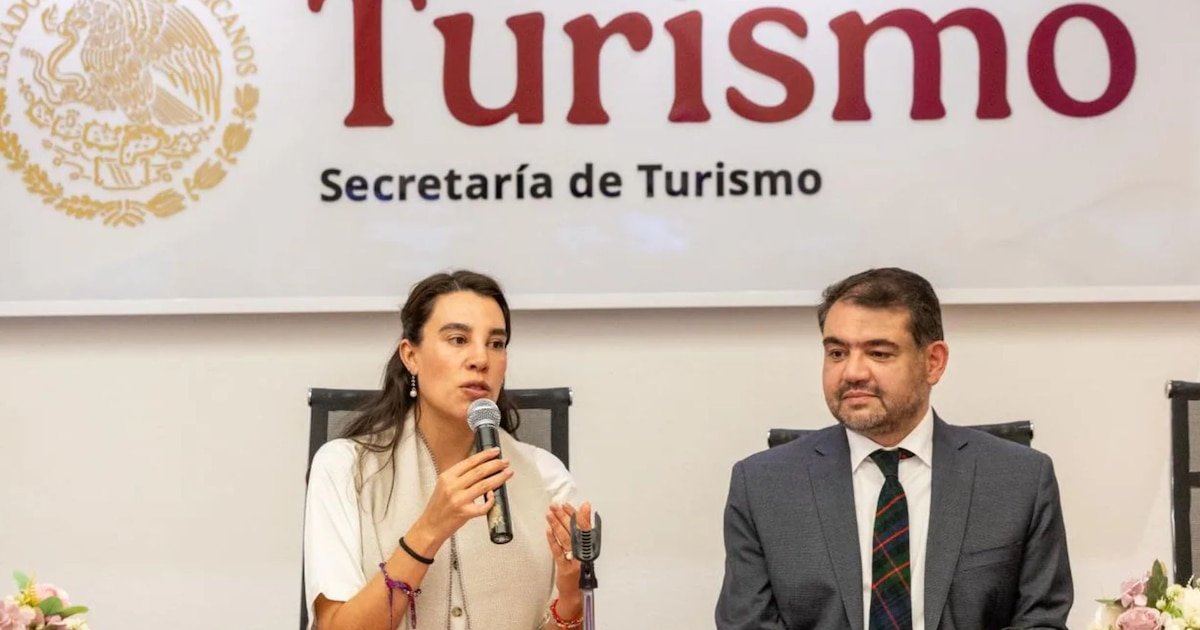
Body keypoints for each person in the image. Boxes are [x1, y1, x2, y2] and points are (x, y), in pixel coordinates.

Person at [715, 267, 1072, 630]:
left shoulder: (1020, 480)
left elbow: (1040, 621)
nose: (852, 372)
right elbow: (746, 625)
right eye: (837, 352)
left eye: (879, 353)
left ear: (933, 362)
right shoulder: (762, 486)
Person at [304, 270, 592, 630]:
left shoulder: (546, 477)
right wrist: (429, 529)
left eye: (496, 343)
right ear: (411, 356)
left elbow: (567, 617)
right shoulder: (344, 468)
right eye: (458, 339)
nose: (481, 359)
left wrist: (571, 600)